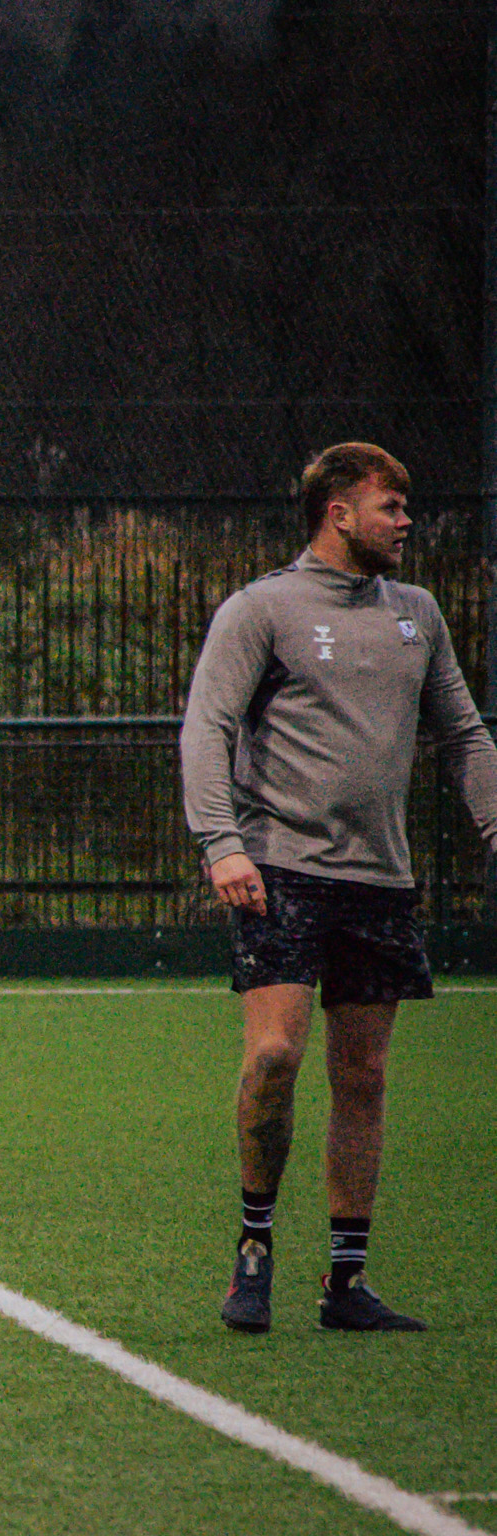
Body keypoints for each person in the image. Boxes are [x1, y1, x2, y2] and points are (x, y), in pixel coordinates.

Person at [181, 442, 497, 1334]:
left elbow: (466, 736)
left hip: (380, 880)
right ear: (339, 513)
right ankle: (253, 1250)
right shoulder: (262, 609)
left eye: (406, 506)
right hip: (279, 869)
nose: (405, 521)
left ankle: (345, 1281)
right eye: (390, 506)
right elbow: (206, 728)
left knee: (363, 1073)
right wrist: (223, 843)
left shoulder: (418, 614)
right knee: (274, 1059)